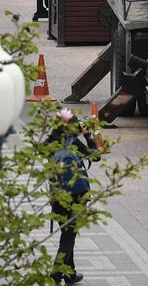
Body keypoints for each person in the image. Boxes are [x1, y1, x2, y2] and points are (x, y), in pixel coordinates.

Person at [49, 109, 99, 284]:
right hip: (77, 197)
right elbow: (96, 156)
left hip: (56, 197)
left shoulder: (49, 143)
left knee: (67, 233)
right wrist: (88, 136)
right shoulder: (74, 143)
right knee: (69, 237)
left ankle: (70, 274)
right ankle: (56, 274)